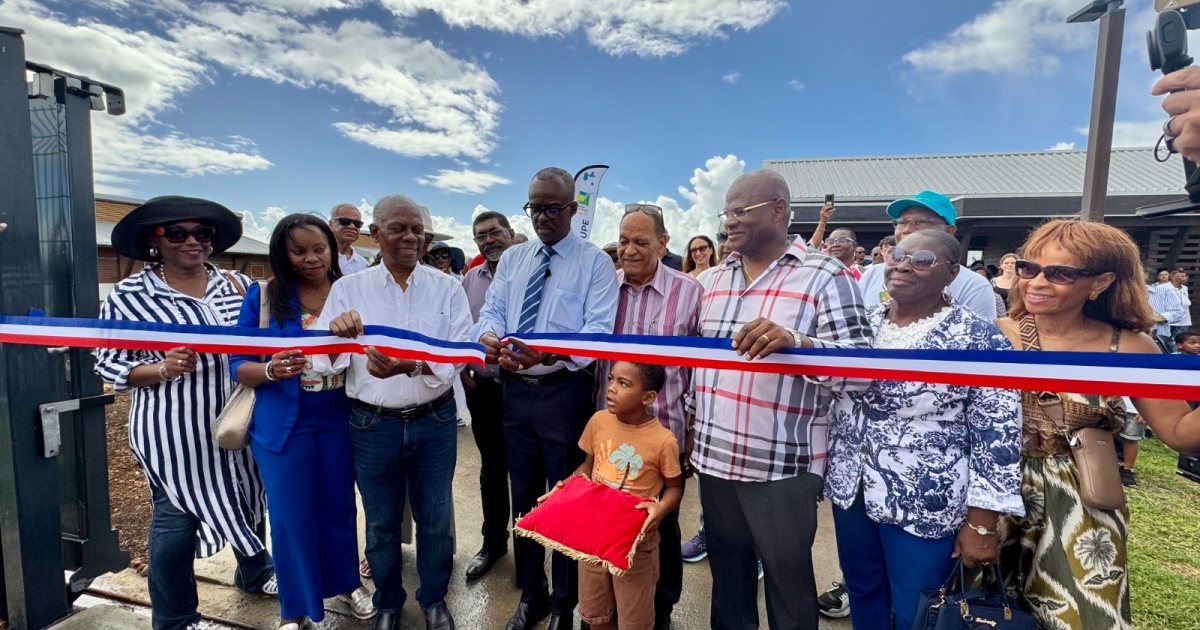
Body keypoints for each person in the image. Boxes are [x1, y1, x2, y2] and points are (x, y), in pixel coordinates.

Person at [995, 219, 1200, 629]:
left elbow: (1180, 435)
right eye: (1028, 268)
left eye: (1060, 273)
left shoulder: (1128, 347)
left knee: (1085, 618)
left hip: (1082, 502)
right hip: (996, 495)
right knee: (985, 611)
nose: (1036, 282)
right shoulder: (996, 335)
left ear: (1101, 282)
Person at [690, 170, 872, 630]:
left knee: (788, 588)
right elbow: (699, 368)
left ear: (778, 209)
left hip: (782, 470)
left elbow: (863, 372)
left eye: (739, 211)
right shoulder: (711, 281)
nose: (728, 222)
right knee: (728, 585)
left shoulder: (825, 275)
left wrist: (799, 344)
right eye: (725, 213)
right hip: (714, 461)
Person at [825, 230, 1023, 630]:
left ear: (951, 273)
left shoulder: (977, 337)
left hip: (925, 502)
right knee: (863, 589)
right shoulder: (862, 326)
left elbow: (998, 433)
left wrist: (982, 522)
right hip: (853, 490)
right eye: (897, 255)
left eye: (921, 261)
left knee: (918, 610)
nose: (901, 264)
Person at [95, 196, 276, 630]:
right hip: (174, 430)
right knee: (176, 517)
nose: (193, 241)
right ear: (154, 241)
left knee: (248, 495)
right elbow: (106, 359)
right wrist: (160, 368)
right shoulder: (129, 295)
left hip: (237, 417)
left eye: (203, 233)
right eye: (178, 233)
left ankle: (254, 571)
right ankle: (175, 617)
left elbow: (260, 338)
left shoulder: (236, 285)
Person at [311, 195, 472, 630]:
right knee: (381, 523)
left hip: (434, 420)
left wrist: (414, 365)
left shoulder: (447, 287)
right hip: (371, 423)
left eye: (417, 230)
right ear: (376, 234)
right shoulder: (348, 290)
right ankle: (388, 602)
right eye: (398, 228)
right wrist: (332, 333)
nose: (410, 237)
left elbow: (457, 353)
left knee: (435, 519)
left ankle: (434, 599)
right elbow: (321, 362)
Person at [472, 168, 619, 630]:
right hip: (515, 394)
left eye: (553, 207)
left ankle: (563, 604)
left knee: (563, 498)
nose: (542, 216)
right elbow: (492, 310)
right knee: (526, 500)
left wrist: (549, 351)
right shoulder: (514, 259)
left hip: (563, 394)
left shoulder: (594, 262)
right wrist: (490, 336)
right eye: (534, 207)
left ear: (573, 209)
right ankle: (531, 595)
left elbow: (597, 334)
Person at [230, 214, 375, 629]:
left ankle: (347, 584)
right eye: (299, 251)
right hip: (282, 420)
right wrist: (271, 371)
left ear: (332, 249)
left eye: (319, 249)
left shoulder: (351, 291)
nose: (311, 258)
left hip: (340, 414)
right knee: (290, 515)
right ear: (283, 253)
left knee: (339, 507)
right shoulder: (263, 297)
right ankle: (294, 609)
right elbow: (238, 364)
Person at [593, 206, 702, 629]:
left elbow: (701, 366)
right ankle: (618, 607)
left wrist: (690, 429)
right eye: (623, 240)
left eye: (641, 241)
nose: (630, 250)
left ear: (663, 242)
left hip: (663, 433)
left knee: (660, 527)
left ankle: (661, 610)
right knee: (611, 524)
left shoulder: (690, 291)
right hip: (611, 431)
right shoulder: (605, 289)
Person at [561, 361, 683, 630]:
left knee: (634, 617)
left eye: (623, 384)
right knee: (595, 612)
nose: (611, 389)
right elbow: (587, 466)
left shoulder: (663, 441)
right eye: (612, 379)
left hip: (635, 548)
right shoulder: (598, 421)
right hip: (592, 539)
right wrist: (567, 486)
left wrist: (660, 509)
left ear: (648, 397)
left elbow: (675, 487)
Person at [460, 211, 516, 581]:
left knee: (530, 474)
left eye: (495, 232)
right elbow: (461, 329)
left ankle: (532, 547)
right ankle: (493, 542)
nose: (488, 240)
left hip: (524, 388)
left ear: (510, 234)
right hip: (484, 389)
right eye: (481, 235)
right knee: (491, 469)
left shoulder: (530, 274)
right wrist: (463, 367)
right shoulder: (469, 280)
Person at [857, 191, 996, 318]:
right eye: (901, 222)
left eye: (920, 222)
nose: (906, 229)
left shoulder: (974, 286)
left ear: (949, 231)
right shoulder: (873, 274)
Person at [1148, 268, 1185, 353]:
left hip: (1159, 339)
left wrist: (1155, 318)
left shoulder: (1162, 290)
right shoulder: (1118, 293)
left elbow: (1178, 312)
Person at [330, 203, 370, 275]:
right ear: (331, 224)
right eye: (345, 221)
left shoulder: (364, 265)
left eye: (357, 223)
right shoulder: (321, 259)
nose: (352, 226)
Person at [1172, 269, 1192, 336]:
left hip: (1184, 321)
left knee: (1181, 340)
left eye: (1184, 276)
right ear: (1173, 277)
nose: (1183, 278)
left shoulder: (1185, 288)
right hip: (1170, 321)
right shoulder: (1165, 288)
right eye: (1180, 276)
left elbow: (1185, 302)